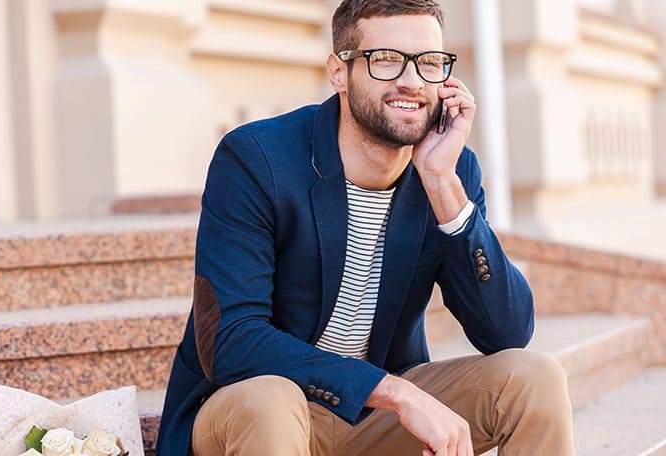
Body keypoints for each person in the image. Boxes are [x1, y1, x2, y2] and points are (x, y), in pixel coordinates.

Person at [157, 1, 574, 454]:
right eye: (387, 60)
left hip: (374, 420)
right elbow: (231, 341)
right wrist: (395, 392)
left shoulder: (449, 173)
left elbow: (507, 333)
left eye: (429, 63)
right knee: (270, 399)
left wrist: (444, 190)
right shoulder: (258, 159)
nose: (412, 81)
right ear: (339, 72)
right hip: (261, 412)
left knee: (535, 378)